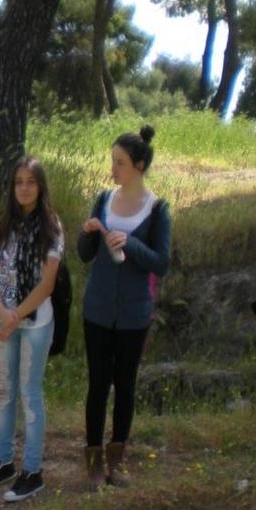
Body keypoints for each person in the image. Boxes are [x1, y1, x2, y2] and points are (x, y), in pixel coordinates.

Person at [77, 125, 171, 487]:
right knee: (97, 384)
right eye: (112, 161)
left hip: (134, 313)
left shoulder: (158, 209)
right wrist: (88, 234)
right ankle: (92, 462)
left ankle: (117, 461)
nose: (113, 169)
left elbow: (161, 262)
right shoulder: (103, 199)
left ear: (140, 165)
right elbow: (85, 255)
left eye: (120, 162)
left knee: (125, 384)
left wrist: (130, 243)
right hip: (98, 309)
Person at [0, 158, 63, 502]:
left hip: (35, 321)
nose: (24, 188)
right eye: (18, 182)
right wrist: (1, 309)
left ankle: (33, 470)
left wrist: (16, 317)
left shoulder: (51, 226)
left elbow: (47, 283)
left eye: (30, 181)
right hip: (6, 318)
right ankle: (3, 461)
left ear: (40, 186)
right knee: (4, 390)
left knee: (30, 392)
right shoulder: (6, 225)